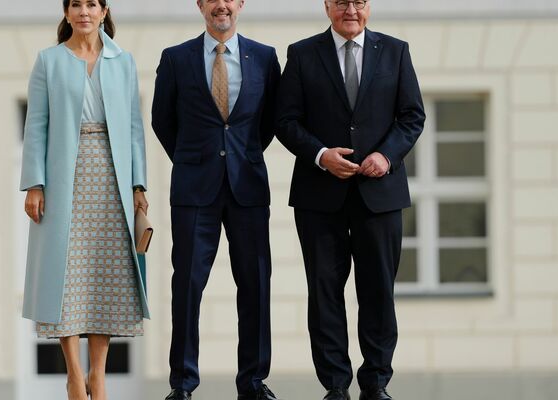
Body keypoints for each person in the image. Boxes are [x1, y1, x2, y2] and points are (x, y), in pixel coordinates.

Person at [276, 1, 426, 399]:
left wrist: (386, 155)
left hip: (381, 195)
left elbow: (412, 116)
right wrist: (320, 154)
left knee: (378, 291)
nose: (350, 10)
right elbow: (285, 120)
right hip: (319, 197)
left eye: (358, 1)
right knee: (324, 293)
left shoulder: (396, 51)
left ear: (368, 7)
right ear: (327, 6)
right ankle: (336, 387)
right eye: (341, 2)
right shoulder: (302, 54)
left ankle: (375, 384)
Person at [19, 1, 149, 399]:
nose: (83, 11)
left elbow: (133, 128)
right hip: (64, 179)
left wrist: (139, 185)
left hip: (112, 178)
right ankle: (75, 373)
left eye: (91, 4)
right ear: (67, 12)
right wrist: (35, 184)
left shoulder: (122, 61)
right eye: (75, 4)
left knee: (104, 278)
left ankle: (99, 375)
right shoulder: (49, 61)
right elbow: (36, 124)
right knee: (66, 279)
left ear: (104, 10)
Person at [151, 1, 280, 399]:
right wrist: (193, 161)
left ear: (240, 5)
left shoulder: (264, 57)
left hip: (248, 188)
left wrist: (242, 156)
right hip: (193, 191)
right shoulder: (176, 59)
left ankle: (254, 383)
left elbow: (272, 119)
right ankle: (183, 384)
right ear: (201, 6)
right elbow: (162, 120)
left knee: (256, 284)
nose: (221, 5)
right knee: (187, 285)